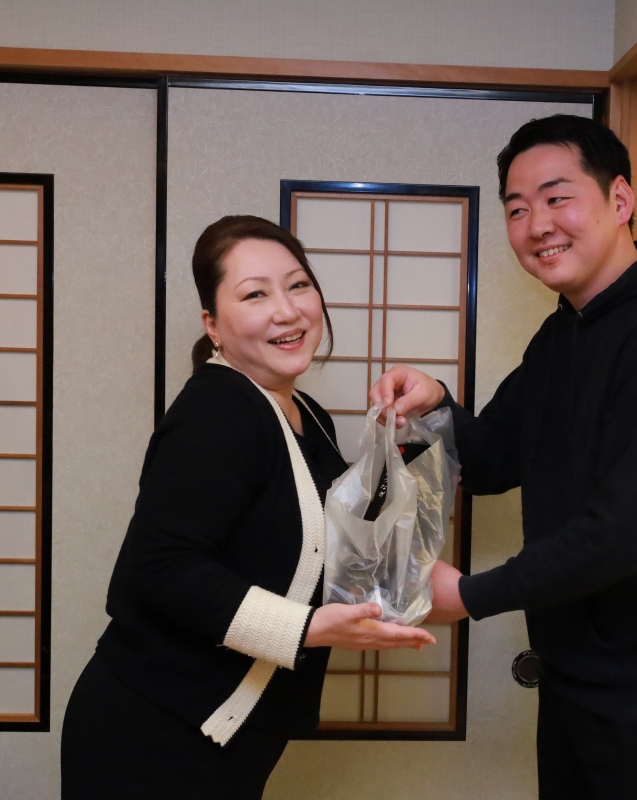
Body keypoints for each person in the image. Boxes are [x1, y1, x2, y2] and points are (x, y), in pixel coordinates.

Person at [371, 115, 637, 800]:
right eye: (518, 209)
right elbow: (494, 458)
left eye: (557, 198)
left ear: (620, 200)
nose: (537, 225)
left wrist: (469, 596)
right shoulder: (566, 332)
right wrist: (436, 406)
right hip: (578, 674)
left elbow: (623, 535)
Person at [62, 216, 434, 799]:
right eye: (255, 294)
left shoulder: (304, 413)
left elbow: (335, 534)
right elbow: (160, 569)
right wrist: (306, 628)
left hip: (227, 733)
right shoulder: (217, 411)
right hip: (154, 730)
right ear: (212, 324)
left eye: (299, 285)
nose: (287, 311)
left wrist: (413, 432)